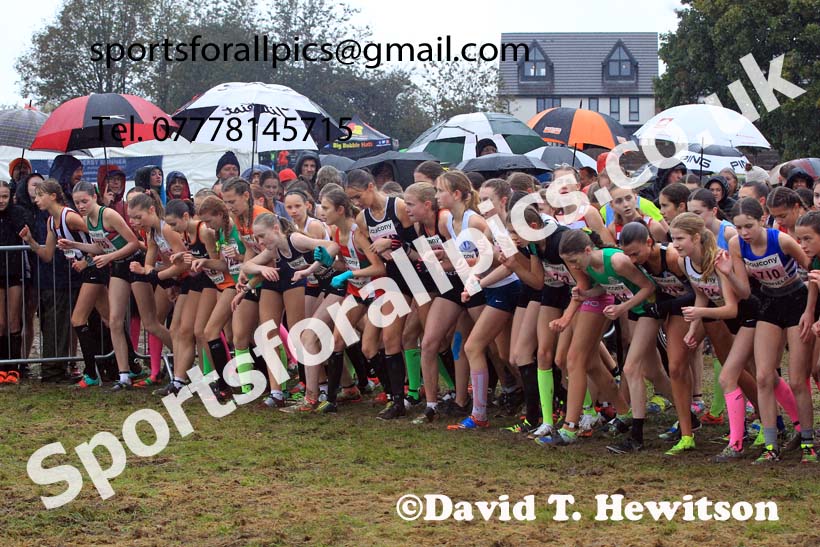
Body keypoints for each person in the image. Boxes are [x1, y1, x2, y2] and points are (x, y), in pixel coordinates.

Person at [730, 198, 813, 464]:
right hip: (767, 303)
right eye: (739, 227)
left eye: (749, 226)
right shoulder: (737, 245)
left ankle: (808, 443)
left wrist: (812, 311)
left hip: (796, 301)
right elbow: (743, 291)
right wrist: (728, 272)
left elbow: (811, 271)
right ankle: (770, 446)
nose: (744, 233)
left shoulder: (783, 241)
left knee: (798, 380)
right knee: (764, 376)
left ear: (763, 219)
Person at [0, 181, 34, 383]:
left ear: (10, 196)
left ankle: (14, 366)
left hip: (15, 271)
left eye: (4, 196)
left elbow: (26, 229)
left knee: (14, 319)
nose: (1, 201)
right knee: (1, 322)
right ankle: (3, 364)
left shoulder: (17, 212)